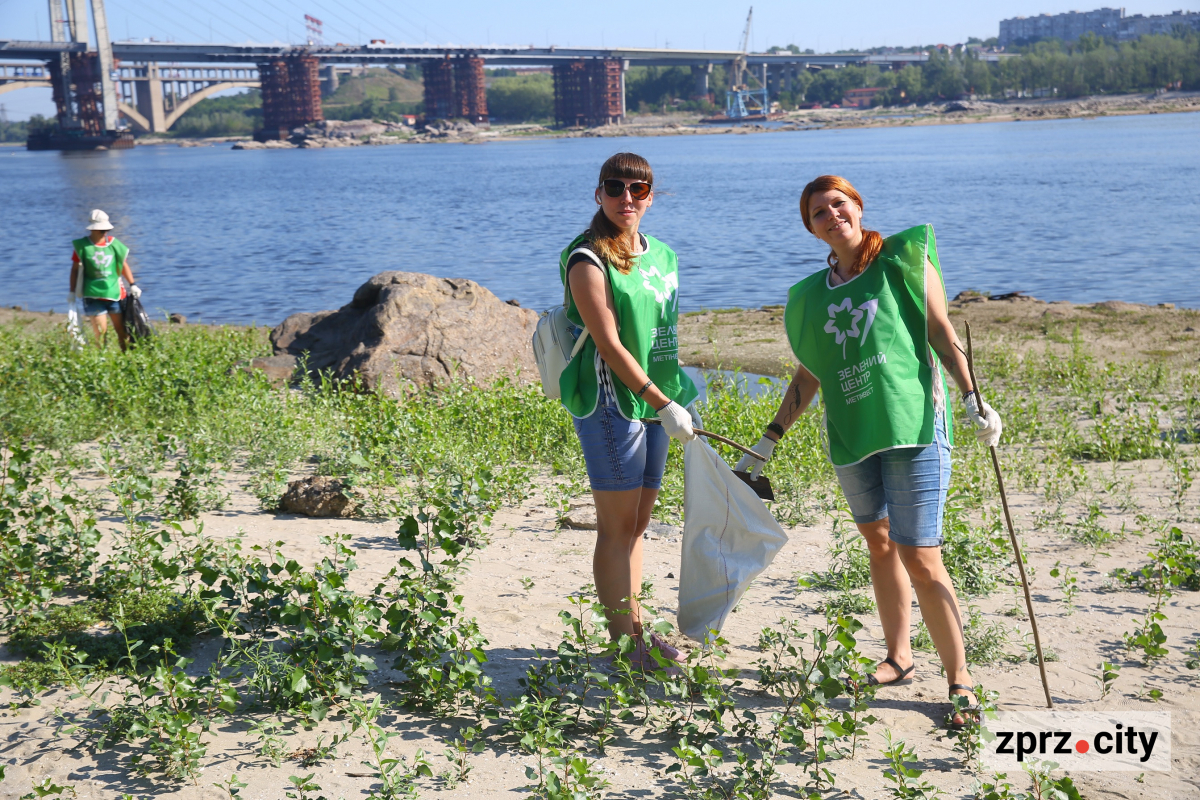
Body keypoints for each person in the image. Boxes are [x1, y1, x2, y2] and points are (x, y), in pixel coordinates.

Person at [735, 175, 1003, 727]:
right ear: (811, 229)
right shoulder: (812, 296)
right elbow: (810, 373)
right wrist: (770, 436)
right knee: (879, 543)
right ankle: (900, 657)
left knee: (921, 555)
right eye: (818, 212)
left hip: (912, 425)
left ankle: (960, 680)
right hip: (853, 434)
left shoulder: (904, 258)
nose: (832, 215)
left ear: (857, 206)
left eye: (839, 204)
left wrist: (974, 395)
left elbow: (940, 330)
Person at [558, 152, 700, 670]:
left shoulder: (662, 254)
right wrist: (664, 404)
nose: (626, 199)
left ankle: (635, 628)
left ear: (650, 197)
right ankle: (627, 647)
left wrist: (676, 399)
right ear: (598, 194)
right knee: (615, 527)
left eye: (637, 190)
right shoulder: (587, 258)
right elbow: (611, 345)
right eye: (615, 188)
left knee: (639, 524)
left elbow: (665, 337)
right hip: (611, 403)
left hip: (660, 402)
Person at [68, 209, 140, 351]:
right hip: (92, 295)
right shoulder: (82, 246)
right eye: (101, 229)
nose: (104, 232)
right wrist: (72, 291)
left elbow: (123, 265)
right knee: (101, 334)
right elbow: (75, 270)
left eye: (106, 229)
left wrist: (133, 284)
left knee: (123, 332)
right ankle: (102, 362)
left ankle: (126, 359)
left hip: (115, 295)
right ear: (93, 229)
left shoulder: (114, 244)